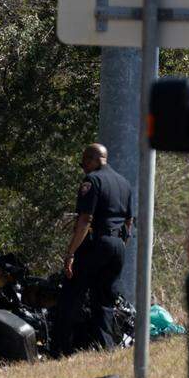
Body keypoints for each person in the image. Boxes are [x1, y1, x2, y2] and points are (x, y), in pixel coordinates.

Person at [54, 143, 134, 356]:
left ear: (92, 159)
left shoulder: (92, 181)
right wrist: (119, 246)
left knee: (72, 293)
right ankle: (104, 348)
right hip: (118, 246)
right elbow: (129, 222)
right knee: (105, 298)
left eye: (83, 163)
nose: (83, 168)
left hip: (97, 243)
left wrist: (71, 252)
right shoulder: (124, 183)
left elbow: (85, 219)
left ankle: (62, 348)